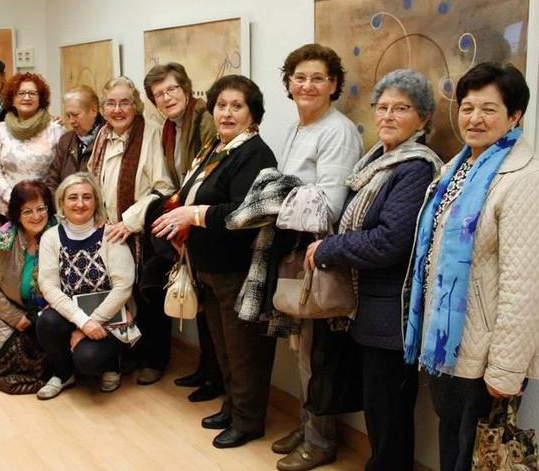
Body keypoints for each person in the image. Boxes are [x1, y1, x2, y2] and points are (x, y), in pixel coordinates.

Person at [402, 62, 539, 471]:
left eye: (489, 109)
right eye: (467, 107)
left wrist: (506, 369)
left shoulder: (527, 179)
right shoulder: (455, 169)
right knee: (453, 444)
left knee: (475, 456)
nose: (474, 118)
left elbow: (527, 286)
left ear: (515, 116)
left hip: (484, 354)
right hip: (446, 349)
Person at [306, 69, 442, 471]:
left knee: (389, 409)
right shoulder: (377, 160)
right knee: (376, 403)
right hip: (368, 304)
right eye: (382, 107)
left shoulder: (415, 168)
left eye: (400, 108)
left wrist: (330, 247)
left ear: (424, 117)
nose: (387, 116)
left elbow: (389, 242)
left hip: (392, 311)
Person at [152, 75, 277, 449]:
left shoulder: (255, 153)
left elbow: (244, 212)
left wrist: (193, 215)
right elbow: (189, 193)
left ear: (252, 114)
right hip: (207, 265)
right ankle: (232, 406)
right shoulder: (216, 146)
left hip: (236, 268)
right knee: (223, 347)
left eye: (236, 106)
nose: (226, 113)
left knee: (244, 351)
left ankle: (249, 420)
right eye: (221, 105)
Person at [271, 43, 363, 470]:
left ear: (334, 85)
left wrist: (273, 198)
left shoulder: (338, 131)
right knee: (299, 347)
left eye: (318, 78)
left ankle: (321, 439)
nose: (307, 85)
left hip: (318, 254)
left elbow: (328, 203)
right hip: (292, 249)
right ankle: (309, 423)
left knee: (316, 353)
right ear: (289, 83)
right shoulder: (295, 128)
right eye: (299, 77)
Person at [143, 62, 224, 401]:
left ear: (186, 88)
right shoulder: (169, 126)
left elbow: (207, 170)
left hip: (202, 219)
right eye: (159, 94)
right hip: (183, 218)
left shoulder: (204, 119)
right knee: (199, 302)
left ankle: (214, 377)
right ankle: (206, 369)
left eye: (172, 89)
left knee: (209, 305)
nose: (166, 97)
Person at [87, 76, 174, 385]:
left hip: (140, 231)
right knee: (116, 296)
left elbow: (163, 188)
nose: (118, 109)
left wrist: (129, 222)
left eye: (125, 102)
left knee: (146, 296)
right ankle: (126, 354)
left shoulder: (150, 134)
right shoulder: (101, 136)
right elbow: (93, 179)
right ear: (103, 107)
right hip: (106, 230)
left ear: (136, 105)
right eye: (111, 103)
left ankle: (153, 359)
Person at [35, 172, 137, 400]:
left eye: (86, 197)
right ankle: (63, 374)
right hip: (73, 313)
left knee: (88, 360)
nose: (80, 203)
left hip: (111, 316)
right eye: (72, 197)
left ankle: (113, 364)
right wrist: (82, 322)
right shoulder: (51, 237)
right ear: (61, 202)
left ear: (96, 202)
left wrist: (90, 324)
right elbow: (48, 287)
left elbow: (123, 287)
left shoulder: (111, 234)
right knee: (47, 321)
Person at [0, 181, 55, 395]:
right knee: (1, 361)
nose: (36, 216)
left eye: (41, 209)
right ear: (16, 214)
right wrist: (15, 317)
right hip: (14, 313)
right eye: (28, 211)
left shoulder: (60, 235)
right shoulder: (1, 240)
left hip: (50, 315)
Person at [0, 72, 64, 217]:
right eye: (21, 93)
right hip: (9, 208)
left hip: (45, 208)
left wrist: (41, 202)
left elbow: (60, 170)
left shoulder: (56, 129)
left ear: (40, 98)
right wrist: (13, 198)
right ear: (12, 99)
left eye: (32, 93)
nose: (27, 97)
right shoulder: (0, 129)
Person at [45, 85, 104, 192]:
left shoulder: (108, 138)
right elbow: (52, 182)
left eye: (75, 115)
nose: (71, 121)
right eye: (68, 116)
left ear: (93, 111)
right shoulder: (65, 140)